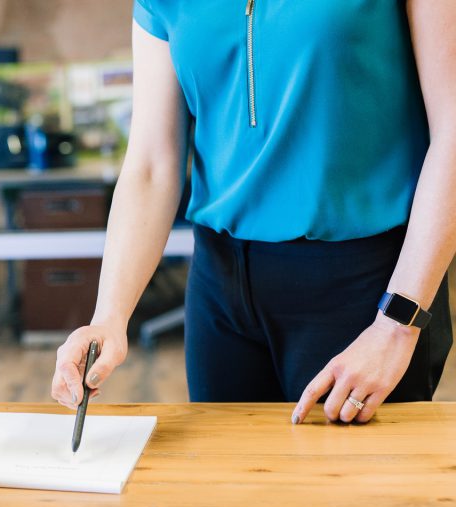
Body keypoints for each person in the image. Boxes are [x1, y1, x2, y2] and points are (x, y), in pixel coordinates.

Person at [52, 1, 456, 425]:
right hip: (220, 291)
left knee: (351, 488)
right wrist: (109, 318)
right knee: (229, 486)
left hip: (364, 288)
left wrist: (398, 324)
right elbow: (152, 164)